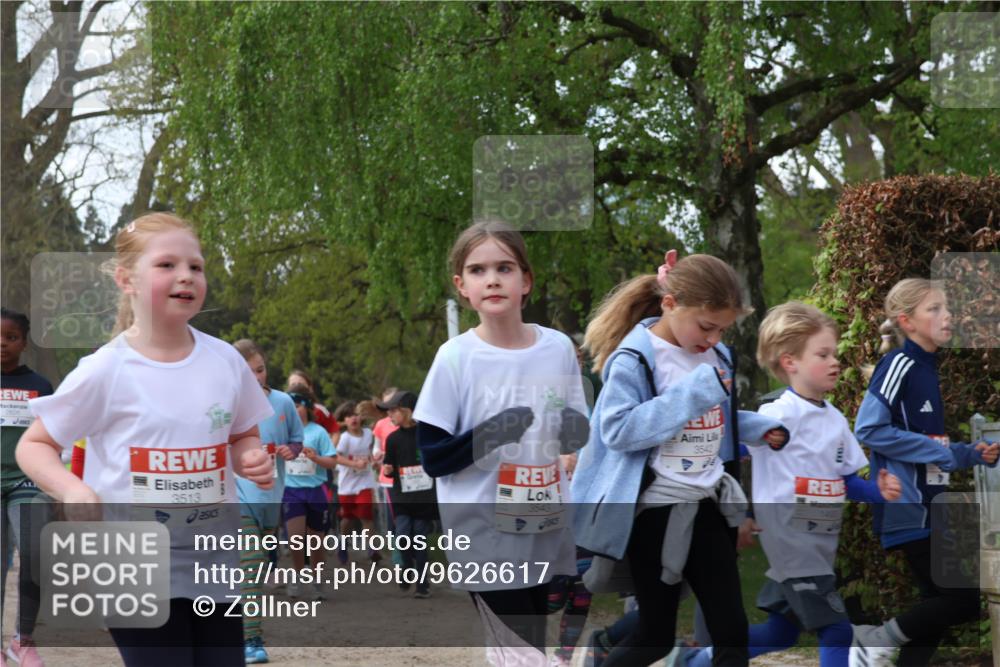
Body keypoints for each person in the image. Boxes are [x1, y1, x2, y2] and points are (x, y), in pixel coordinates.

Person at [16, 212, 275, 667]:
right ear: (126, 279)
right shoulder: (105, 369)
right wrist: (72, 488)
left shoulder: (226, 361)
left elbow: (242, 434)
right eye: (167, 265)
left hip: (212, 556)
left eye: (195, 266)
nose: (186, 276)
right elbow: (33, 446)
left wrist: (250, 456)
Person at [571, 250, 789, 666]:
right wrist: (693, 393)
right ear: (670, 304)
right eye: (707, 326)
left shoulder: (718, 356)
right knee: (655, 637)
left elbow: (714, 421)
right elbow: (618, 431)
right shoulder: (634, 358)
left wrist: (756, 427)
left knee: (732, 630)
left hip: (708, 505)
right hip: (654, 513)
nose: (713, 340)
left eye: (723, 330)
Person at [685, 302, 902, 667]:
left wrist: (880, 492)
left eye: (834, 352)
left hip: (819, 546)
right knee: (836, 630)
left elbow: (847, 481)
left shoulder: (834, 419)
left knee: (779, 634)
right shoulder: (777, 414)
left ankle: (697, 660)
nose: (835, 361)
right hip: (791, 543)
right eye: (823, 354)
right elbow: (728, 447)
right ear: (790, 362)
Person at [415, 219, 589, 664]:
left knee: (525, 652)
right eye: (477, 270)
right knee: (523, 656)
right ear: (462, 286)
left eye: (504, 268)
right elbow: (433, 458)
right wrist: (493, 432)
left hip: (543, 528)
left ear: (526, 280)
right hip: (482, 534)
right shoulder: (455, 357)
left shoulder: (556, 348)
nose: (492, 279)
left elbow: (574, 431)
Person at [850, 279, 999, 667]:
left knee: (939, 604)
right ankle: (874, 639)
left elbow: (926, 442)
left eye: (946, 307)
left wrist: (971, 453)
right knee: (959, 599)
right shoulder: (900, 363)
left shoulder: (927, 368)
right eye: (934, 308)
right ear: (907, 321)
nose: (946, 315)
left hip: (931, 502)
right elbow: (869, 429)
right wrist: (939, 450)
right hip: (909, 504)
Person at [232, 339, 304, 664]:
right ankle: (251, 639)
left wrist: (292, 450)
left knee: (255, 569)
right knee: (250, 563)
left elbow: (296, 440)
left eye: (260, 370)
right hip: (236, 497)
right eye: (248, 373)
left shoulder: (284, 402)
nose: (256, 377)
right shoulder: (227, 405)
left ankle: (237, 627)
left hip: (270, 499)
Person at [1, 308, 54, 667]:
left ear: (24, 342)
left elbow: (52, 438)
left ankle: (23, 640)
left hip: (25, 481)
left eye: (11, 337)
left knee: (35, 553)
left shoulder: (41, 386)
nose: (3, 344)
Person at [378, 390, 438, 598]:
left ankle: (423, 585)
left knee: (420, 540)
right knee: (402, 537)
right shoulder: (393, 439)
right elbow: (390, 464)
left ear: (408, 411)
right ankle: (406, 568)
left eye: (394, 411)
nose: (390, 415)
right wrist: (387, 468)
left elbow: (436, 459)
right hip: (402, 497)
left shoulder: (426, 435)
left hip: (424, 498)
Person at [283, 388, 337, 600]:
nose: (294, 410)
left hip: (315, 491)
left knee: (316, 542)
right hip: (291, 490)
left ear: (306, 407)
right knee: (295, 539)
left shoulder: (318, 432)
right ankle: (296, 576)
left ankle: (317, 581)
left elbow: (332, 461)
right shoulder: (284, 432)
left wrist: (315, 458)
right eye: (290, 406)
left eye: (297, 405)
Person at [333, 401, 380, 563]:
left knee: (367, 516)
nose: (353, 419)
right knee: (348, 519)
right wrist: (354, 464)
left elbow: (371, 452)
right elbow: (336, 457)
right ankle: (343, 543)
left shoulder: (368, 434)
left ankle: (373, 548)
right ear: (344, 420)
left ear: (361, 417)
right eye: (348, 416)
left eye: (355, 415)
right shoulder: (344, 438)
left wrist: (373, 461)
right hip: (347, 485)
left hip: (365, 481)